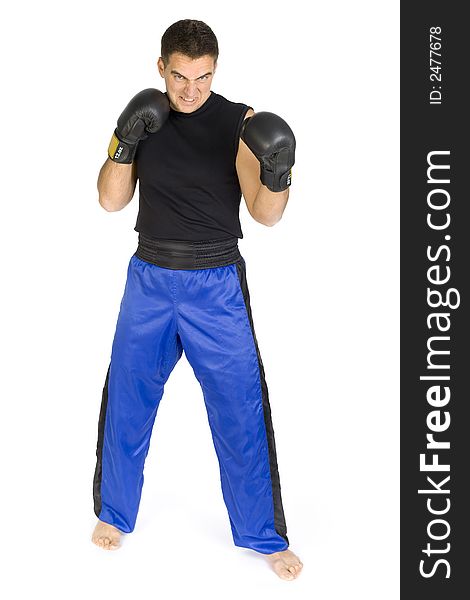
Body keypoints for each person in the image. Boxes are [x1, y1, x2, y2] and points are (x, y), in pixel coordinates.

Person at [91, 19, 302, 581]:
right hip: (150, 277)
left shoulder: (240, 123)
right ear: (161, 67)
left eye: (204, 78)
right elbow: (111, 201)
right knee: (129, 398)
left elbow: (265, 213)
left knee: (240, 409)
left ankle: (262, 533)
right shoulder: (146, 117)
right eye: (181, 77)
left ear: (216, 70)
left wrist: (279, 173)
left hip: (216, 286)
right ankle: (114, 513)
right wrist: (123, 138)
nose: (191, 91)